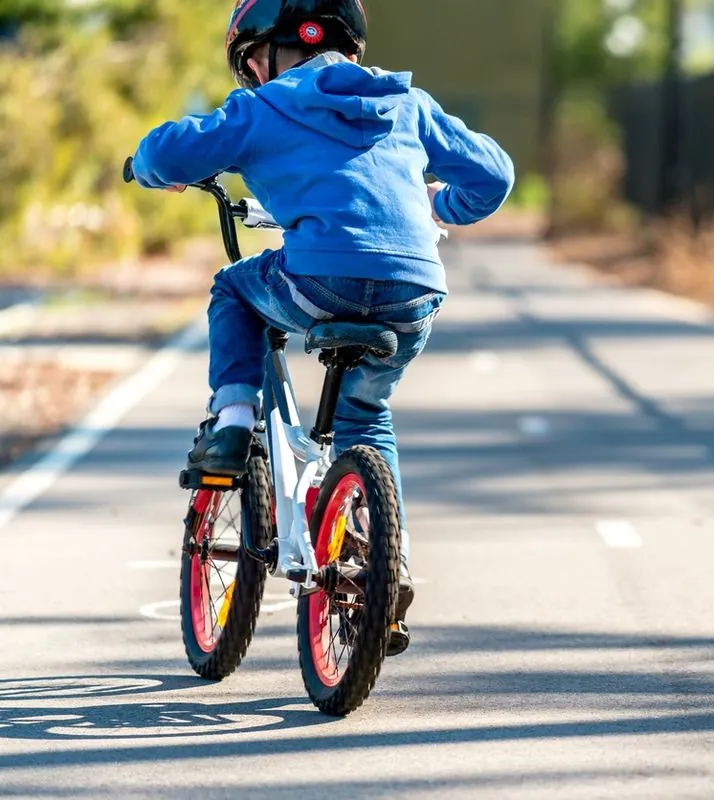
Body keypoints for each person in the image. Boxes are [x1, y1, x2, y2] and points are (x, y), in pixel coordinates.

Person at [129, 0, 515, 654]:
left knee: (235, 290)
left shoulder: (265, 104)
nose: (253, 72)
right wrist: (438, 204)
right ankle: (390, 566)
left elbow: (171, 151)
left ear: (270, 52)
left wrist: (146, 169)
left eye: (253, 60)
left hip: (320, 278)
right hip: (413, 289)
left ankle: (229, 429)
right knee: (368, 414)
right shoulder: (407, 102)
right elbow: (495, 174)